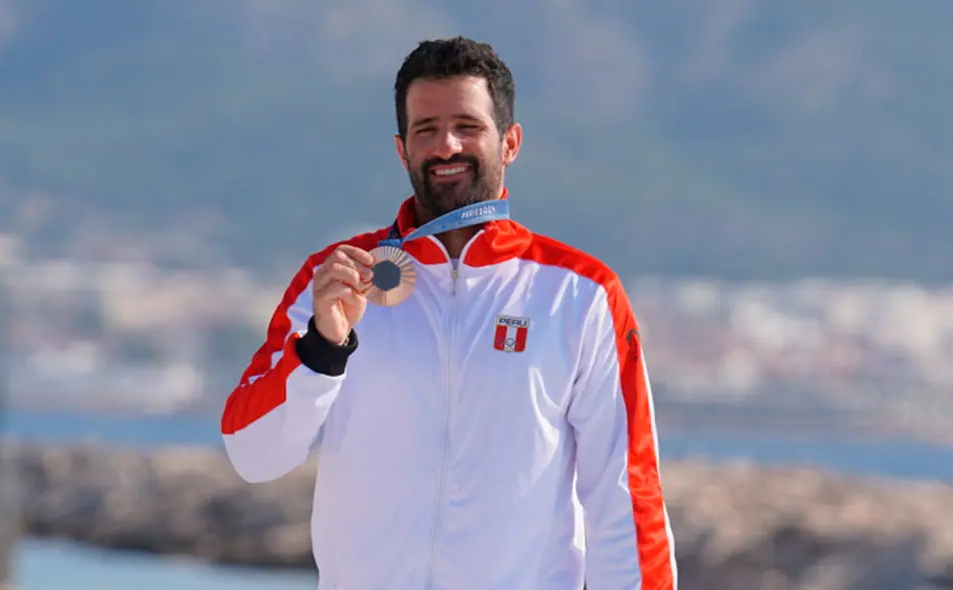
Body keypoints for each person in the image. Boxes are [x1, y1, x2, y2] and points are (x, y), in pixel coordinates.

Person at [221, 36, 677, 589]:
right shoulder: (335, 281)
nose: (446, 146)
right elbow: (252, 454)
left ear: (510, 143)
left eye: (468, 126)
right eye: (426, 130)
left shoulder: (579, 294)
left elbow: (625, 495)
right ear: (401, 149)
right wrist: (321, 350)